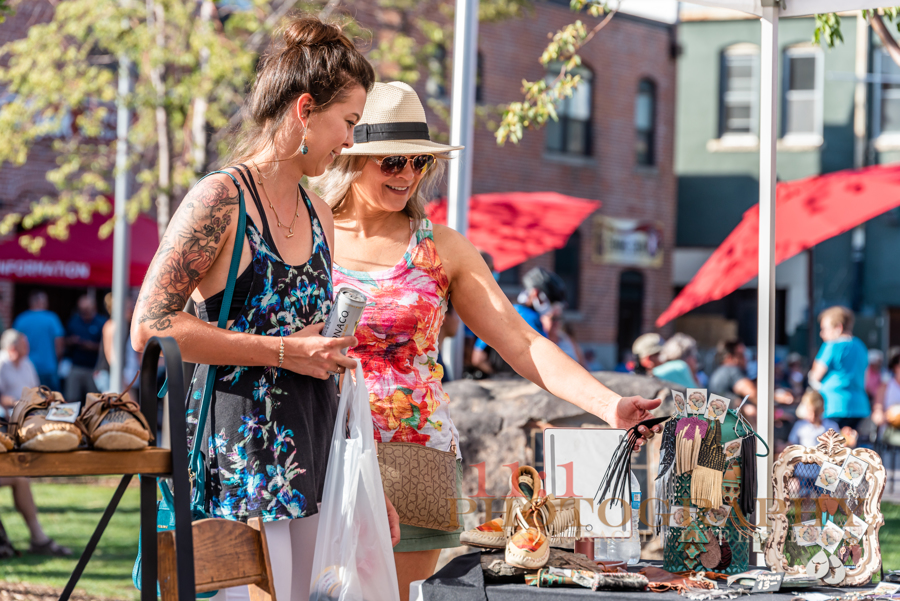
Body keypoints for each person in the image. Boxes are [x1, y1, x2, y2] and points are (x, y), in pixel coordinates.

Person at [311, 81, 662, 601]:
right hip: (320, 444)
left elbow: (521, 341)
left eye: (419, 163)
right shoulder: (310, 236)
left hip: (416, 456)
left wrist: (608, 405)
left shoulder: (441, 249)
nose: (407, 175)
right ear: (353, 158)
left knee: (399, 598)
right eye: (392, 163)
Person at [131, 17, 397, 601]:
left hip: (313, 455)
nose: (349, 142)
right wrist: (284, 350)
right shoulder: (221, 199)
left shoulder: (320, 214)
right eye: (348, 122)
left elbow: (316, 355)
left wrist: (367, 481)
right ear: (306, 109)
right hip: (236, 467)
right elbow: (148, 326)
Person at [0, 329, 71, 557]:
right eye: (24, 344)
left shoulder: (28, 364)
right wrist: (18, 403)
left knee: (21, 477)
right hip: (9, 419)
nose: (28, 348)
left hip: (26, 419)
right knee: (19, 476)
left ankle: (38, 538)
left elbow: (36, 393)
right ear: (13, 347)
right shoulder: (2, 363)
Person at [469, 266, 566, 376]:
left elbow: (478, 358)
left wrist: (497, 376)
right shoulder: (532, 319)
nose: (551, 308)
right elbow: (547, 359)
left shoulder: (503, 311)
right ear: (536, 293)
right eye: (551, 302)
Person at [808, 306, 870, 430]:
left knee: (831, 447)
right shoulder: (861, 346)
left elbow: (815, 375)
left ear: (838, 328)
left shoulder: (832, 345)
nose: (822, 334)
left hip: (833, 406)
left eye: (825, 329)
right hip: (860, 406)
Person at [708, 339, 793, 422]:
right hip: (728, 428)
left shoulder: (719, 373)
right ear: (730, 357)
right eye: (741, 355)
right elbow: (752, 393)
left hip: (718, 427)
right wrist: (777, 406)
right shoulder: (731, 370)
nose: (746, 359)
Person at [12, 291, 64, 390]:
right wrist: (58, 361)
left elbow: (14, 342)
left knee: (29, 401)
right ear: (41, 302)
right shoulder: (52, 318)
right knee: (52, 401)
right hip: (48, 367)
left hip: (26, 366)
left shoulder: (21, 319)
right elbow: (59, 343)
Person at [65, 295, 106, 401]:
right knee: (71, 399)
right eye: (82, 310)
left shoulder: (102, 322)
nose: (84, 312)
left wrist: (91, 346)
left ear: (94, 308)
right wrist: (71, 341)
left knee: (94, 401)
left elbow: (107, 347)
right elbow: (64, 340)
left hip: (94, 368)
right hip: (76, 366)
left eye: (87, 310)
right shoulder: (74, 321)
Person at [98, 293, 141, 395]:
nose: (132, 309)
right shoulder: (112, 325)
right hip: (109, 375)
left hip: (121, 376)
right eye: (128, 307)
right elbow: (111, 355)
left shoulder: (127, 325)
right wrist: (122, 380)